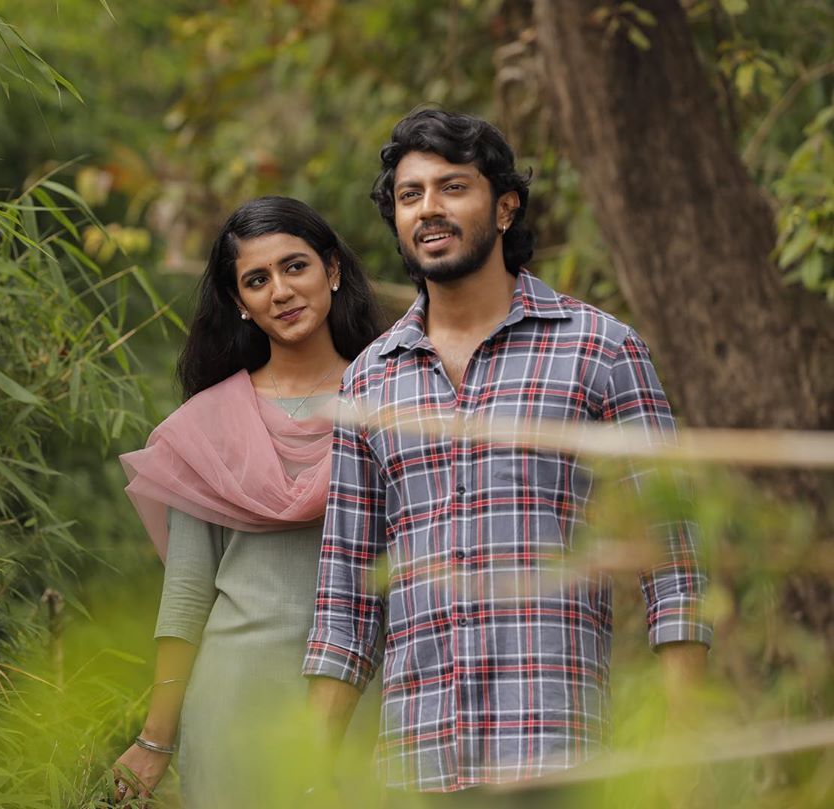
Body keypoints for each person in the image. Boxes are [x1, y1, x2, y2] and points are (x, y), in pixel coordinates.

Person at [303, 109, 712, 800]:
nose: (428, 209)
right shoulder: (369, 381)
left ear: (504, 207)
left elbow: (674, 564)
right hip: (416, 765)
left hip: (558, 758)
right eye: (410, 195)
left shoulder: (602, 350)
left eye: (452, 187)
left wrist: (685, 745)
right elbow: (346, 599)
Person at [113, 196, 386, 807]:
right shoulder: (208, 424)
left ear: (332, 270)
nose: (281, 292)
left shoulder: (392, 406)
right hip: (233, 701)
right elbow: (187, 595)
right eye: (256, 280)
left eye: (295, 267)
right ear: (239, 302)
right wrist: (155, 740)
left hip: (365, 702)